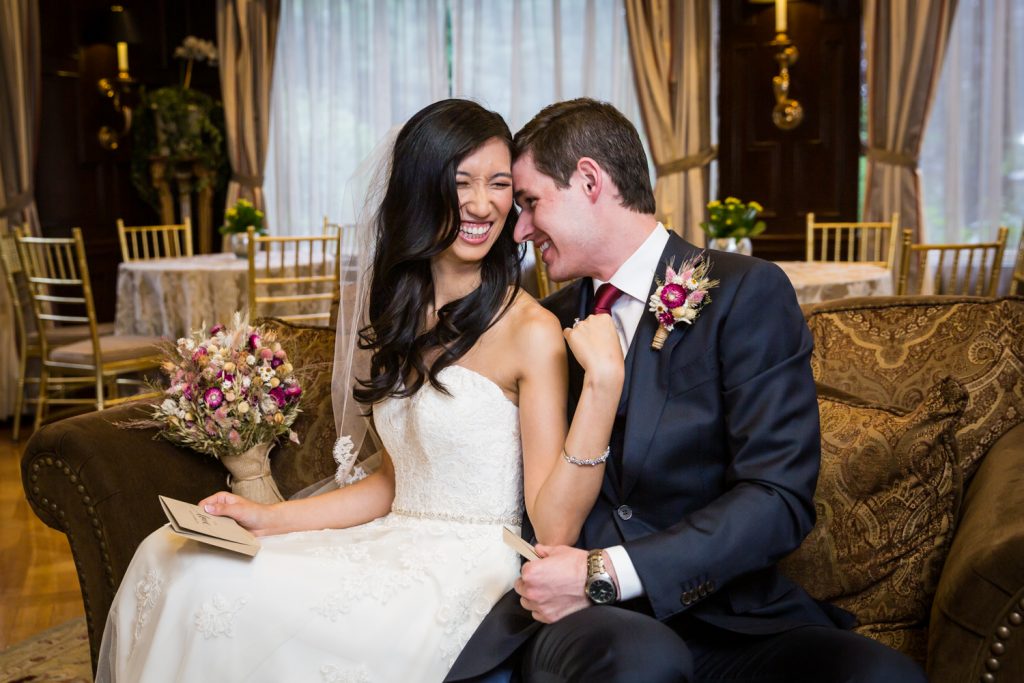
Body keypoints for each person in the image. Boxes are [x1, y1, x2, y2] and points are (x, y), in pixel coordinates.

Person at [94, 99, 625, 683]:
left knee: (232, 591)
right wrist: (269, 519)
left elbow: (553, 529)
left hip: (464, 568)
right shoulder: (399, 310)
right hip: (389, 536)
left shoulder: (532, 331)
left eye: (500, 184)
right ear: (420, 190)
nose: (482, 204)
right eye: (461, 182)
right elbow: (394, 482)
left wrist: (602, 387)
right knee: (173, 557)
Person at [445, 98, 929, 683]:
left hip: (731, 616)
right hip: (592, 625)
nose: (518, 230)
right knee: (640, 662)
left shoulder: (744, 294)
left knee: (881, 677)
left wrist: (609, 570)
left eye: (530, 202)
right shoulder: (540, 327)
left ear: (590, 180)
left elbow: (777, 496)